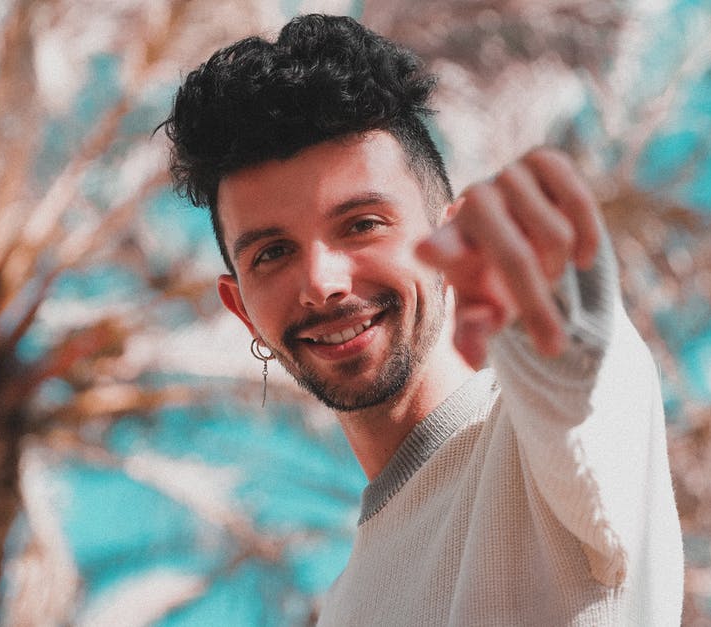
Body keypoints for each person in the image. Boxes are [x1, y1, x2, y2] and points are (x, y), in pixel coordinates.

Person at [160, 14, 683, 626]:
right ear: (241, 308)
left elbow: (579, 385)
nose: (322, 283)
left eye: (362, 224)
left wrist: (546, 293)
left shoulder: (541, 447)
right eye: (272, 253)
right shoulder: (344, 610)